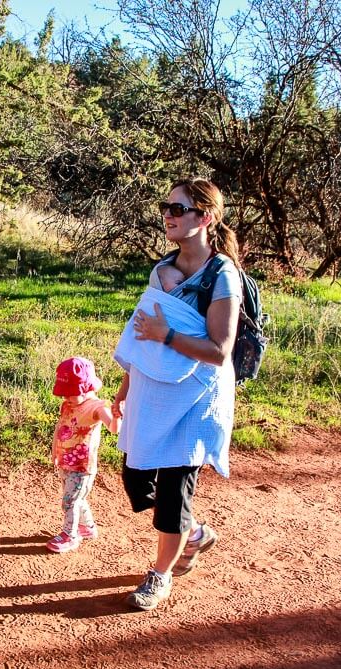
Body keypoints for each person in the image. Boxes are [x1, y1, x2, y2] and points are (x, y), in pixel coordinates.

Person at [111, 177, 243, 611]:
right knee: (136, 477)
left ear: (205, 217)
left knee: (173, 489)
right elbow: (142, 336)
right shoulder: (161, 269)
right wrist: (126, 386)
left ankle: (161, 574)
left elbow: (219, 351)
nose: (168, 215)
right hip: (153, 390)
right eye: (166, 207)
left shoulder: (223, 275)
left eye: (178, 208)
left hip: (196, 399)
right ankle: (193, 532)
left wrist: (166, 334)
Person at [46, 356, 121, 553]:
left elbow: (113, 428)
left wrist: (117, 415)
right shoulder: (69, 405)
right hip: (65, 462)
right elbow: (59, 427)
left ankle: (70, 535)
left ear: (87, 388)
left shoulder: (96, 407)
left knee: (70, 500)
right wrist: (55, 449)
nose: (66, 397)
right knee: (76, 498)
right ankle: (87, 528)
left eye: (70, 393)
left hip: (82, 467)